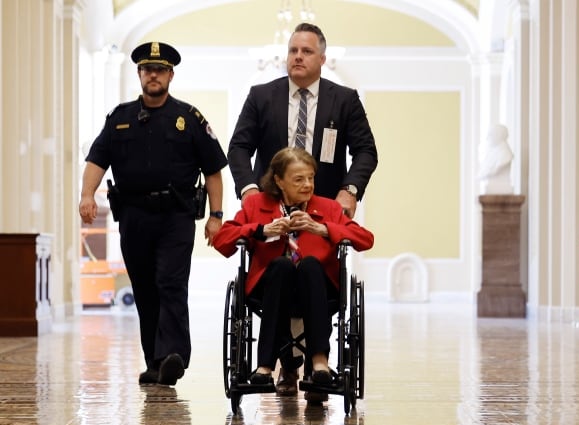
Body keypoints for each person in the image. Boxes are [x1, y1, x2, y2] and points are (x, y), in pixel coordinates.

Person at [228, 22, 378, 397]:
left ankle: (316, 363)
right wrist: (249, 191)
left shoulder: (343, 99)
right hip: (271, 207)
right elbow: (238, 148)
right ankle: (286, 367)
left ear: (322, 58)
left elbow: (365, 151)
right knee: (279, 269)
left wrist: (349, 190)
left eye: (306, 51)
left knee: (310, 270)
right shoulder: (262, 96)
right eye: (293, 50)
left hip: (323, 207)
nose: (297, 56)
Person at [79, 42, 227, 386]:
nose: (154, 75)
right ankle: (155, 361)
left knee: (170, 283)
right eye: (148, 69)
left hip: (175, 216)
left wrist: (216, 214)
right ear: (140, 75)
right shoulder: (120, 118)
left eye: (160, 70)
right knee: (145, 288)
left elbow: (214, 170)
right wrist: (87, 194)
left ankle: (174, 355)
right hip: (133, 216)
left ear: (171, 75)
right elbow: (96, 160)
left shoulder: (189, 118)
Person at [213, 147, 374, 396]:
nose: (307, 185)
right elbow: (222, 240)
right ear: (279, 180)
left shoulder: (328, 207)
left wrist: (323, 229)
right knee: (282, 266)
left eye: (311, 177)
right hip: (271, 288)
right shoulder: (257, 205)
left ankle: (319, 361)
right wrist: (261, 230)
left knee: (309, 264)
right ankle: (266, 365)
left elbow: (366, 239)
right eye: (299, 179)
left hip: (318, 289)